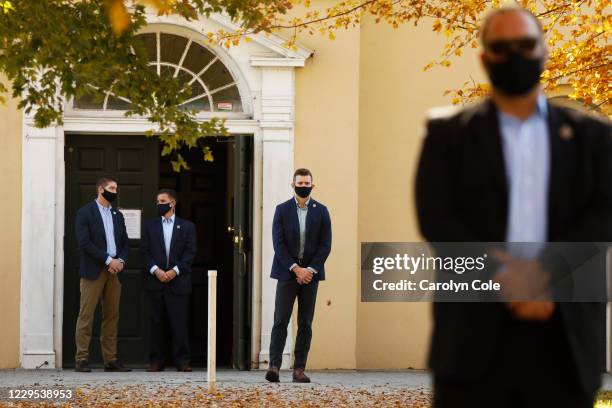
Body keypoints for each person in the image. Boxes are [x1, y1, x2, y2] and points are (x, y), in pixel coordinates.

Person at [415, 6, 611, 407]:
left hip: (566, 340)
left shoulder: (595, 138)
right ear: (484, 58)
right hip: (471, 343)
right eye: (502, 48)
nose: (516, 56)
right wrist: (503, 278)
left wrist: (546, 275)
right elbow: (437, 218)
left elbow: (604, 215)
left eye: (526, 45)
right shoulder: (447, 136)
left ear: (543, 50)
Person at [265, 168, 332, 383]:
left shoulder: (321, 211)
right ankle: (274, 366)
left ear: (313, 185)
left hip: (310, 276)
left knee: (305, 323)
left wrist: (309, 270)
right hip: (287, 274)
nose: (303, 187)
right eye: (300, 183)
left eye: (307, 183)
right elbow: (279, 244)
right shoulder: (282, 210)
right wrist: (295, 268)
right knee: (280, 320)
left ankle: (299, 369)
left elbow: (325, 245)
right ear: (292, 185)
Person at [74, 176, 131, 372]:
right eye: (112, 188)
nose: (115, 192)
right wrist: (108, 260)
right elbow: (84, 243)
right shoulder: (85, 213)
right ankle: (81, 359)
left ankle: (111, 360)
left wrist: (120, 261)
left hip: (114, 272)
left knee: (112, 315)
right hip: (93, 270)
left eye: (116, 188)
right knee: (86, 315)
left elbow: (124, 242)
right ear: (100, 189)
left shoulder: (117, 215)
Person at [140, 188, 197, 372]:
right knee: (156, 323)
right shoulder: (150, 226)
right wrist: (156, 270)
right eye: (157, 201)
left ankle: (182, 361)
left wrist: (174, 271)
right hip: (155, 281)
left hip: (178, 282)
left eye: (162, 200)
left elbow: (190, 253)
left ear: (172, 203)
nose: (159, 204)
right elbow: (144, 252)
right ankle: (156, 361)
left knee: (179, 323)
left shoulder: (187, 227)